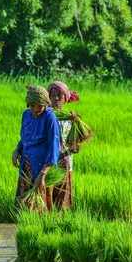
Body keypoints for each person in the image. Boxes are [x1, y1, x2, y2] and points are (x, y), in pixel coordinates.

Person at [12, 86, 60, 211]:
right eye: (32, 106)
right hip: (26, 165)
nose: (35, 109)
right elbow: (24, 138)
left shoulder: (50, 118)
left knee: (40, 207)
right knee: (22, 207)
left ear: (45, 104)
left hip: (40, 168)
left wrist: (43, 174)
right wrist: (17, 150)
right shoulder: (26, 115)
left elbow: (54, 148)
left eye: (39, 106)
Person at [47, 81, 81, 210]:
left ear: (65, 99)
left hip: (65, 162)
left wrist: (76, 127)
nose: (56, 98)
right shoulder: (44, 115)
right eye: (53, 95)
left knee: (63, 195)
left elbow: (76, 147)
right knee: (46, 193)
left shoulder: (70, 119)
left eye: (60, 96)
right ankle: (45, 222)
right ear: (48, 97)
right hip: (47, 162)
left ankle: (61, 222)